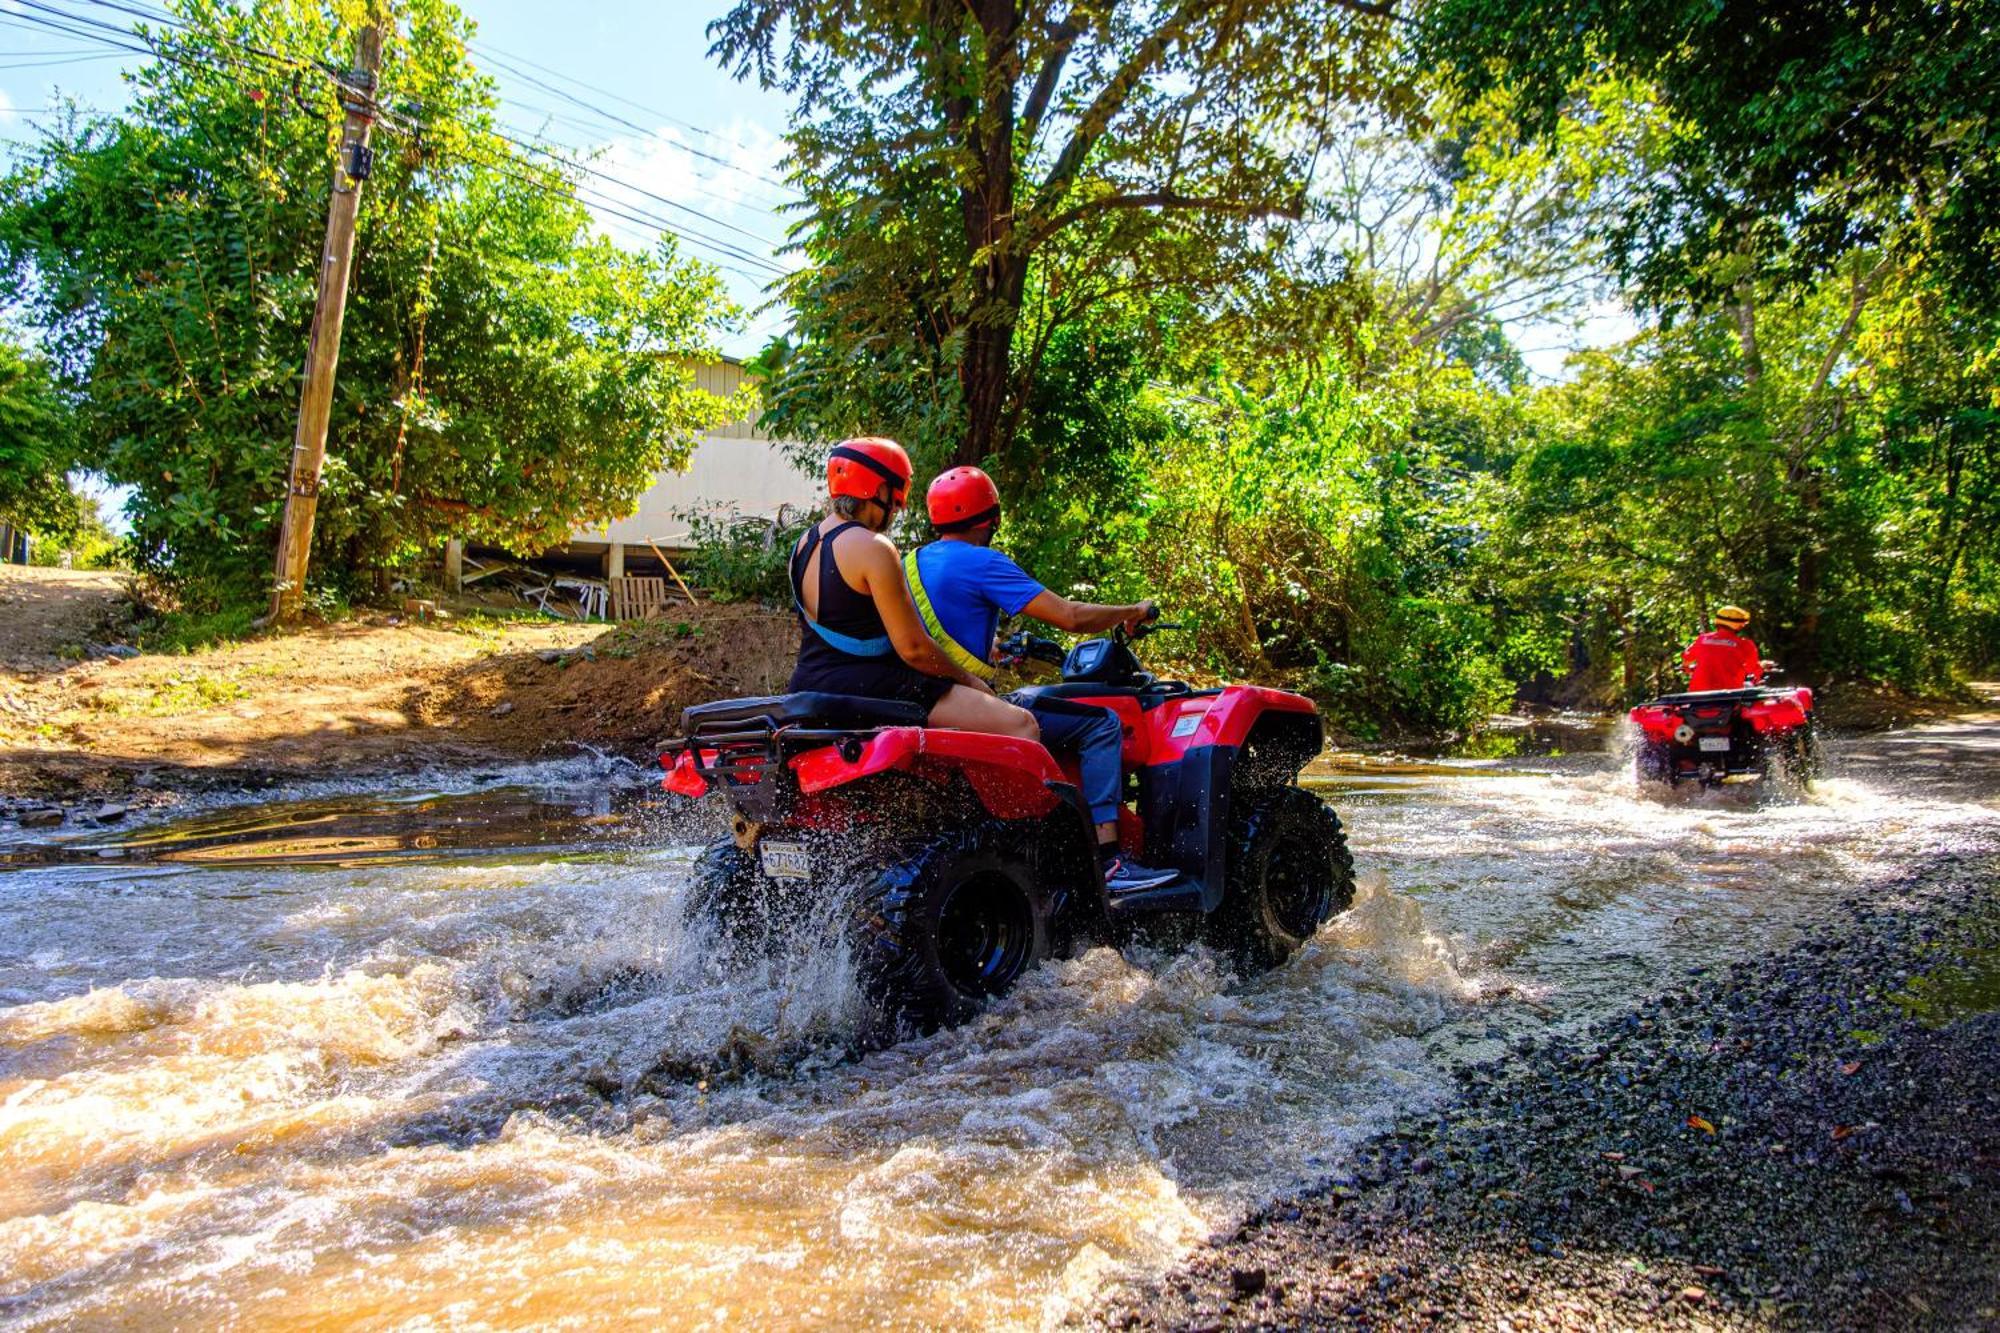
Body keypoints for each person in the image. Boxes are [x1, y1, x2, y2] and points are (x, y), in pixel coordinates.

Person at [904, 465, 1179, 894]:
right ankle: (1111, 861)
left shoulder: (909, 562)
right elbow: (1069, 616)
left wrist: (992, 649)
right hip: (961, 699)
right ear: (990, 519)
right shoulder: (983, 562)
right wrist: (1131, 611)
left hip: (921, 698)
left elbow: (935, 630)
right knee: (1102, 724)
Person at [787, 438, 1030, 738]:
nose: (899, 505)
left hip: (807, 684)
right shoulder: (873, 547)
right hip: (872, 688)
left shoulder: (803, 544)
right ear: (878, 490)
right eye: (898, 490)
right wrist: (970, 680)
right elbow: (913, 649)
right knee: (1021, 724)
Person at [1681, 605, 1764, 692]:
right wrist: (1761, 670)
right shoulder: (1744, 644)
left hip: (1698, 695)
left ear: (1717, 621)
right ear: (1739, 626)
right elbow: (1753, 669)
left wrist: (1686, 667)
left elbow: (1687, 658)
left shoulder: (1703, 639)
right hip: (1728, 697)